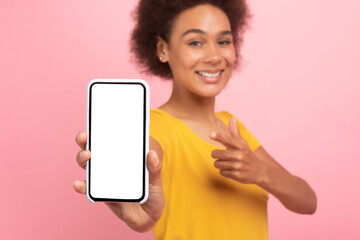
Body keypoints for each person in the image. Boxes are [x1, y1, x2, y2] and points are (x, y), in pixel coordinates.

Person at [73, 0, 317, 239]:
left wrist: (261, 172)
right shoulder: (154, 127)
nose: (213, 56)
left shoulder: (232, 127)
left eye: (223, 41)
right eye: (196, 42)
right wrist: (124, 168)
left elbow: (308, 201)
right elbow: (148, 153)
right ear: (162, 49)